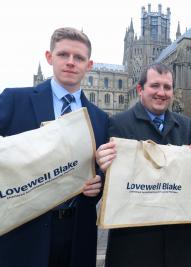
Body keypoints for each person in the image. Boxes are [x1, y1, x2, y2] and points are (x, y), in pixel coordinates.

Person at [0, 27, 109, 267]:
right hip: (25, 234)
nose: (71, 62)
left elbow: (100, 169)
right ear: (50, 57)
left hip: (77, 233)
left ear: (89, 65)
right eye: (63, 55)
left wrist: (98, 183)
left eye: (79, 58)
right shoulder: (14, 100)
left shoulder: (99, 119)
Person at [96, 62, 191, 267]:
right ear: (140, 89)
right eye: (155, 86)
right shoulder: (118, 124)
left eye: (167, 87)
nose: (161, 93)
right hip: (133, 245)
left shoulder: (184, 125)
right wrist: (103, 167)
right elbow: (108, 183)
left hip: (176, 244)